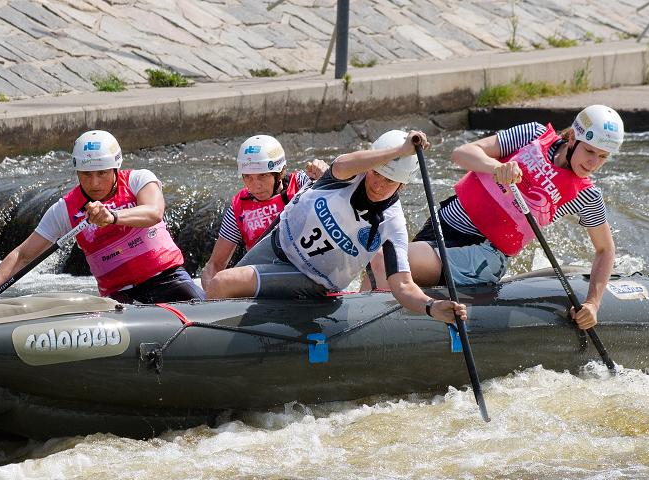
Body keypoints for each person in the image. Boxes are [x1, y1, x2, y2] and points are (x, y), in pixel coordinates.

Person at [205, 130, 468, 325]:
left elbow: (403, 285)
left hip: (310, 277)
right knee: (222, 292)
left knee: (222, 283)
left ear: (402, 185)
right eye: (376, 173)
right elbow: (345, 163)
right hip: (277, 244)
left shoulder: (393, 223)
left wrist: (431, 306)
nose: (378, 185)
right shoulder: (346, 174)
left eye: (389, 181)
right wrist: (399, 151)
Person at [407, 105, 624, 330]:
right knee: (387, 271)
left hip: (483, 252)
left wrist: (593, 303)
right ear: (572, 138)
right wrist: (496, 168)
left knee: (394, 259)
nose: (593, 163)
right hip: (443, 225)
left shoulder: (587, 195)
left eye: (603, 156)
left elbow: (605, 250)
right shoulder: (532, 134)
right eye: (589, 151)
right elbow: (461, 153)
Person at [0, 130, 205, 304]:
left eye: (102, 173)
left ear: (115, 168)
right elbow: (23, 255)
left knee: (203, 306)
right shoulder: (65, 210)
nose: (94, 183)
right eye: (86, 174)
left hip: (168, 280)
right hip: (119, 297)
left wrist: (113, 216)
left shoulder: (138, 180)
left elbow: (154, 212)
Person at [200, 135, 328, 290]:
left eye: (263, 175)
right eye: (248, 177)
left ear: (279, 173)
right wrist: (210, 295)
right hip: (264, 277)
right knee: (220, 280)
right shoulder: (238, 207)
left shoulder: (302, 183)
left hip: (306, 270)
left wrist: (325, 173)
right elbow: (215, 264)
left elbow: (336, 188)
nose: (256, 186)